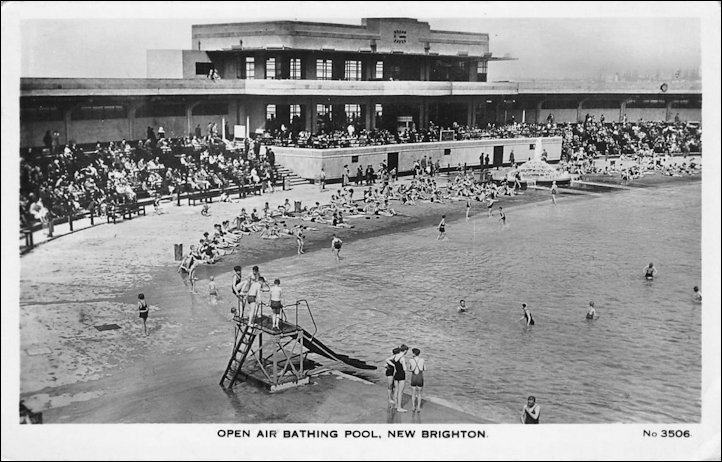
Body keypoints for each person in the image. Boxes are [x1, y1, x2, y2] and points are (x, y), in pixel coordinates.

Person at [407, 348, 426, 412]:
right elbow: (425, 369)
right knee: (419, 394)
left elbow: (409, 369)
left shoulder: (411, 360)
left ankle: (413, 407)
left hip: (414, 377)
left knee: (413, 393)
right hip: (420, 377)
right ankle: (418, 407)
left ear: (414, 353)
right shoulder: (422, 360)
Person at [393, 345, 409, 412]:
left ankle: (396, 405)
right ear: (405, 350)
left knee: (396, 390)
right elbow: (405, 369)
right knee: (400, 392)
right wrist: (406, 364)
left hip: (396, 375)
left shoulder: (395, 356)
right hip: (401, 375)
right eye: (407, 351)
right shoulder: (402, 358)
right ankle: (399, 408)